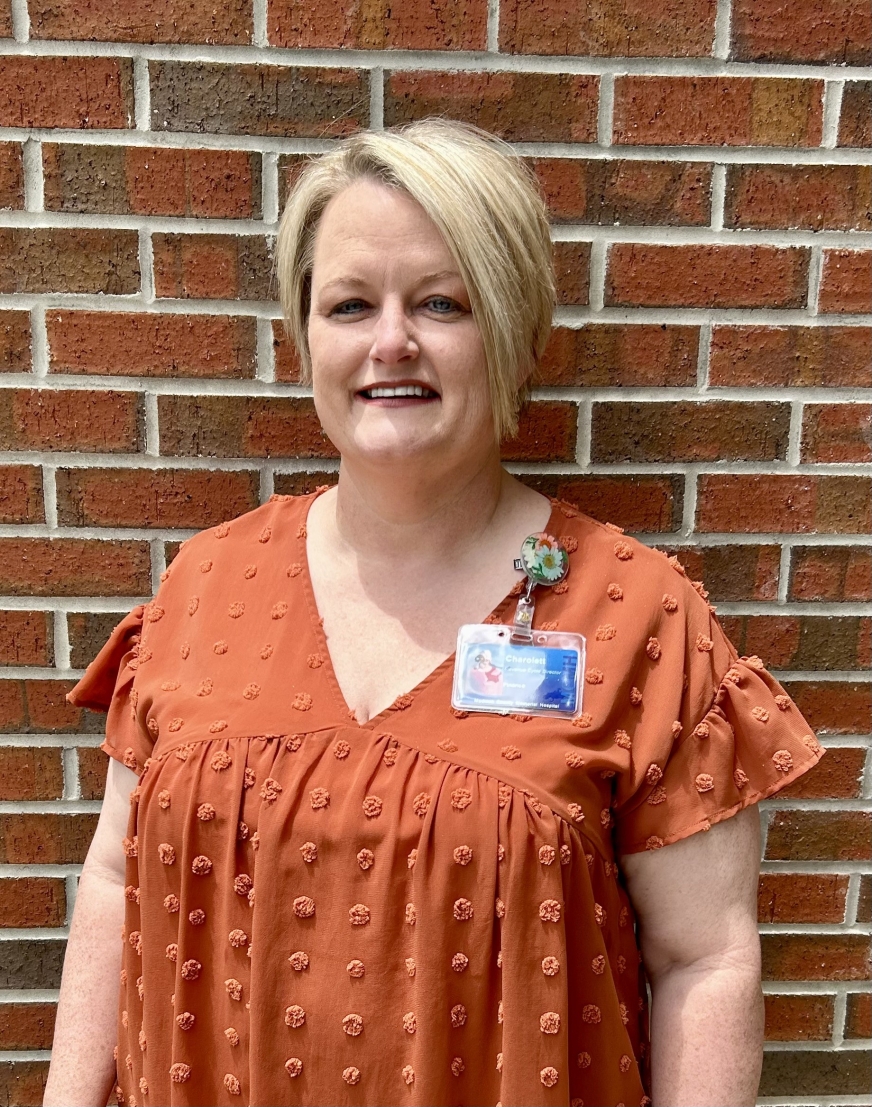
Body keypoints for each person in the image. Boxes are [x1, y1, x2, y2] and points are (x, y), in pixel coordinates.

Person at [44, 119, 824, 1107]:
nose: (390, 342)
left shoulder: (637, 618)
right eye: (349, 304)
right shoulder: (203, 586)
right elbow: (114, 884)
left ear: (512, 331)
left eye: (441, 302)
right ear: (304, 335)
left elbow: (704, 960)